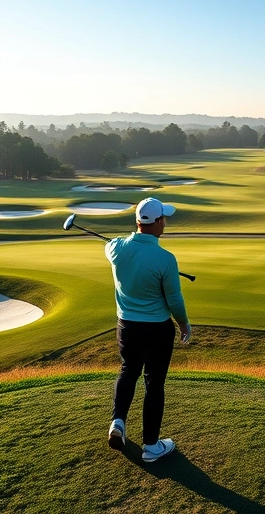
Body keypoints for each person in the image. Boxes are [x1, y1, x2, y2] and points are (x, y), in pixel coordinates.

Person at [105, 197, 192, 463]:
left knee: (128, 370)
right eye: (163, 218)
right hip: (156, 329)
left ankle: (117, 422)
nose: (165, 222)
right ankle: (152, 447)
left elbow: (110, 245)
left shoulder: (116, 248)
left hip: (126, 327)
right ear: (155, 223)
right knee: (154, 383)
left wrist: (130, 243)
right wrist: (184, 324)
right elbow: (174, 299)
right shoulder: (165, 259)